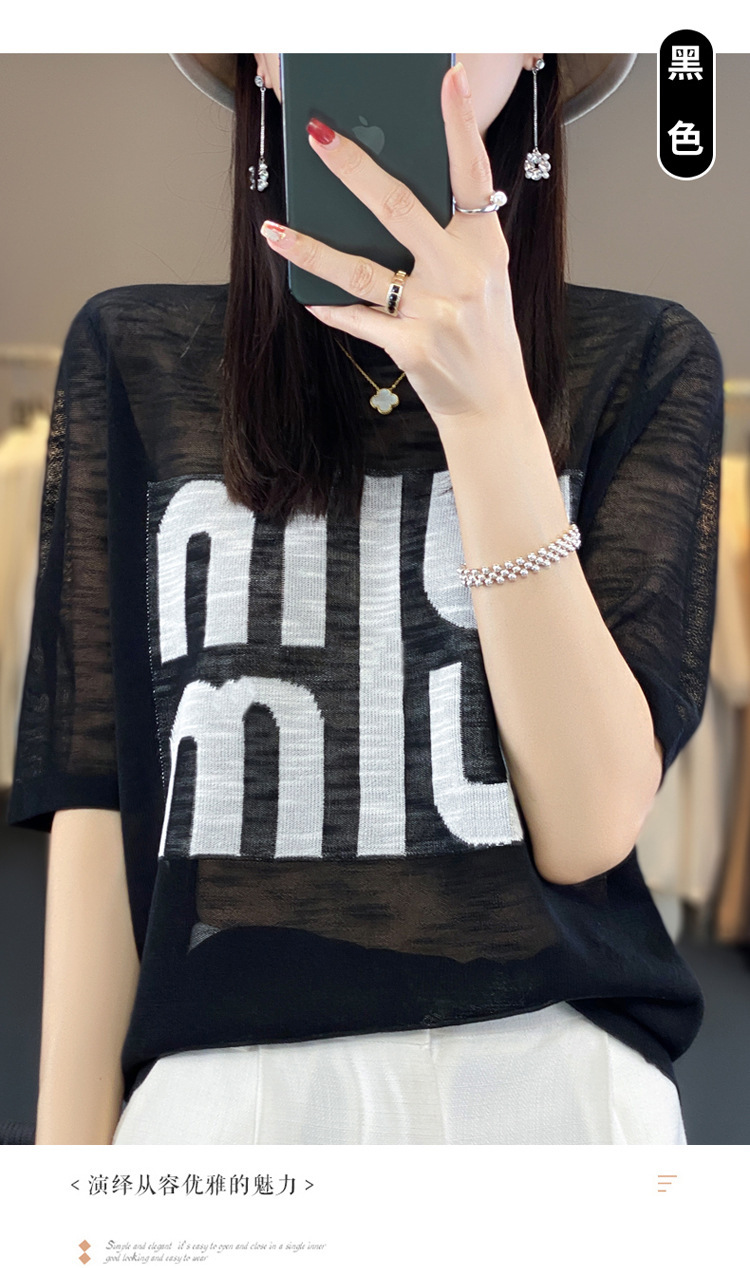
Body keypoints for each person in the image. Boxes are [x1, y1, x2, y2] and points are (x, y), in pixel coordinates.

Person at [6, 52, 723, 1146]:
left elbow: (587, 827)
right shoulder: (135, 357)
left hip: (559, 1108)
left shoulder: (645, 361)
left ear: (539, 41)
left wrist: (487, 410)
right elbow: (105, 810)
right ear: (261, 53)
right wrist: (68, 1207)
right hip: (229, 1124)